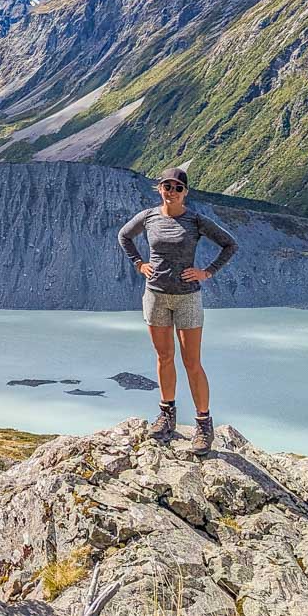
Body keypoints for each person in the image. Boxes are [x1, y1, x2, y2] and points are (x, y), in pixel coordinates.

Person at [117, 166, 237, 455]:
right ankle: (167, 413)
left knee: (192, 362)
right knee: (164, 356)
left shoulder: (195, 220)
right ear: (159, 188)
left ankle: (203, 424)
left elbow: (229, 245)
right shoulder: (148, 217)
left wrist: (206, 273)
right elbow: (124, 236)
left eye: (177, 188)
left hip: (187, 299)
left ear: (186, 192)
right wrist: (139, 264)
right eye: (166, 186)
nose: (171, 191)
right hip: (156, 296)